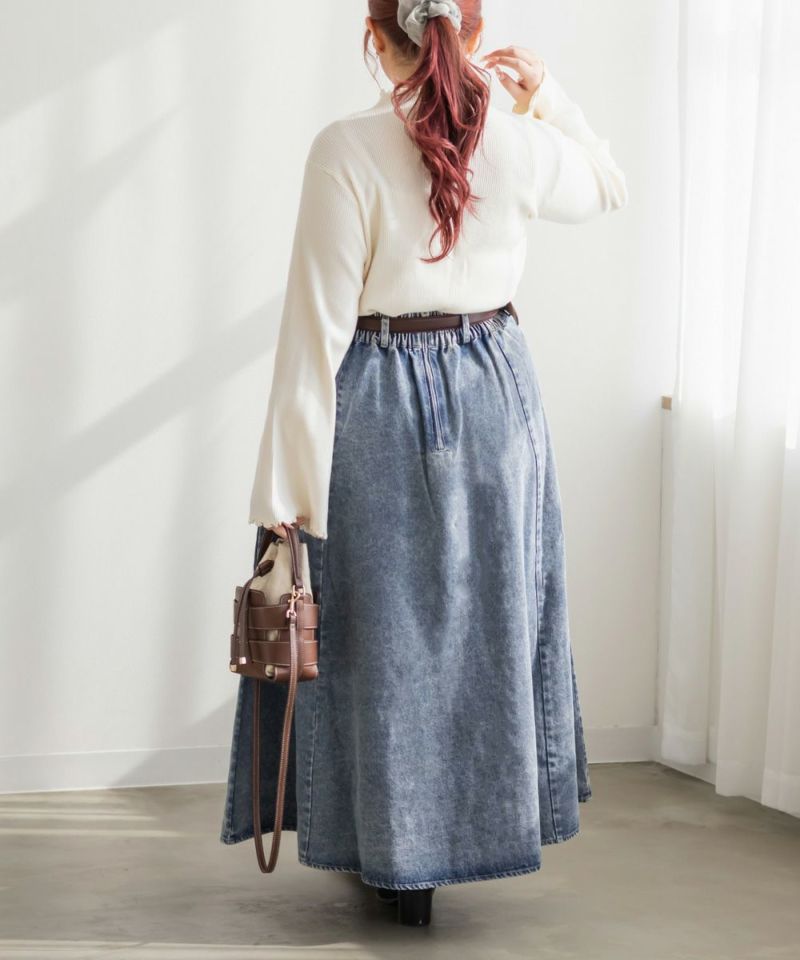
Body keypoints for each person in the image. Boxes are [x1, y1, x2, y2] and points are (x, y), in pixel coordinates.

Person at [221, 0, 627, 927]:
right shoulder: (516, 142)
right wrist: (549, 96)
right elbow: (608, 185)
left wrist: (283, 500)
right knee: (492, 621)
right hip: (498, 399)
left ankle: (397, 860)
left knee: (374, 633)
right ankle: (469, 837)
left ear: (375, 37)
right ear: (471, 33)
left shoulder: (345, 148)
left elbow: (315, 330)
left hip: (377, 394)